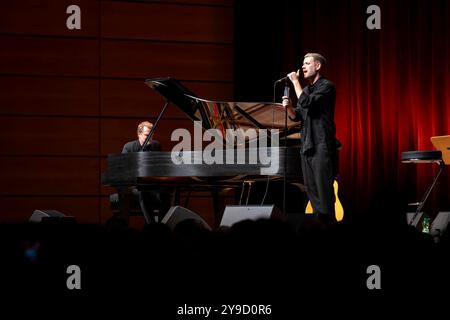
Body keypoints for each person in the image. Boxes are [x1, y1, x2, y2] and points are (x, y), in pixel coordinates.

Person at [282, 53, 338, 225]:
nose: (303, 67)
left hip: (322, 145)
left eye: (307, 63)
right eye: (303, 63)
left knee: (324, 195)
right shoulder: (305, 90)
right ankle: (317, 231)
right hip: (307, 145)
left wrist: (295, 82)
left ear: (318, 66)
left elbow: (308, 103)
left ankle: (329, 229)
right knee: (312, 195)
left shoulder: (327, 86)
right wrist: (290, 108)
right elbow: (297, 117)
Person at [121, 121, 164, 224]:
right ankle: (152, 225)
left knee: (165, 193)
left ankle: (162, 223)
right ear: (139, 134)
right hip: (134, 186)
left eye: (151, 134)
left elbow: (160, 166)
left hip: (152, 184)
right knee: (143, 192)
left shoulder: (156, 145)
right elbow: (123, 169)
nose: (150, 137)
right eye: (146, 135)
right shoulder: (129, 147)